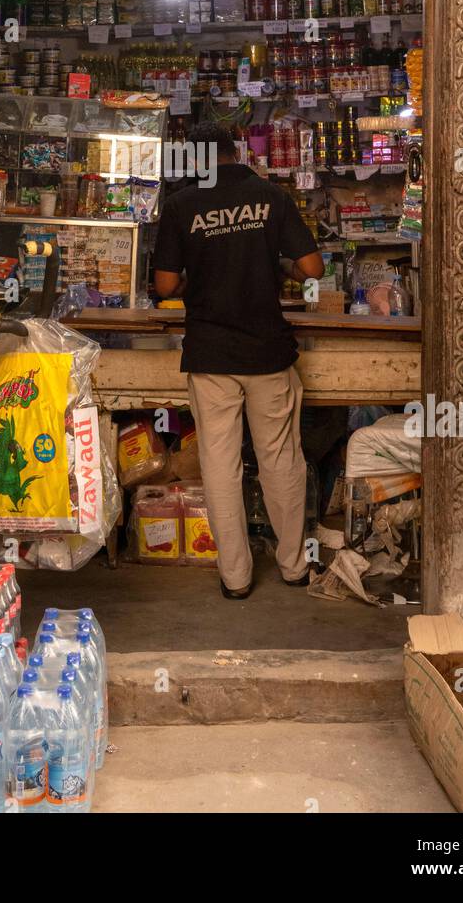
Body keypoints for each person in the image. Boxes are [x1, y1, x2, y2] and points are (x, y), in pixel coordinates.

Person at [153, 122, 324, 599]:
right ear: (237, 151)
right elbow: (313, 268)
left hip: (210, 355)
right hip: (267, 353)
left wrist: (196, 282)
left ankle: (235, 578)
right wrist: (281, 266)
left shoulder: (181, 205)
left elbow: (166, 286)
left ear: (195, 161)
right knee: (281, 460)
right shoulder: (271, 196)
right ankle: (293, 566)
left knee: (220, 465)